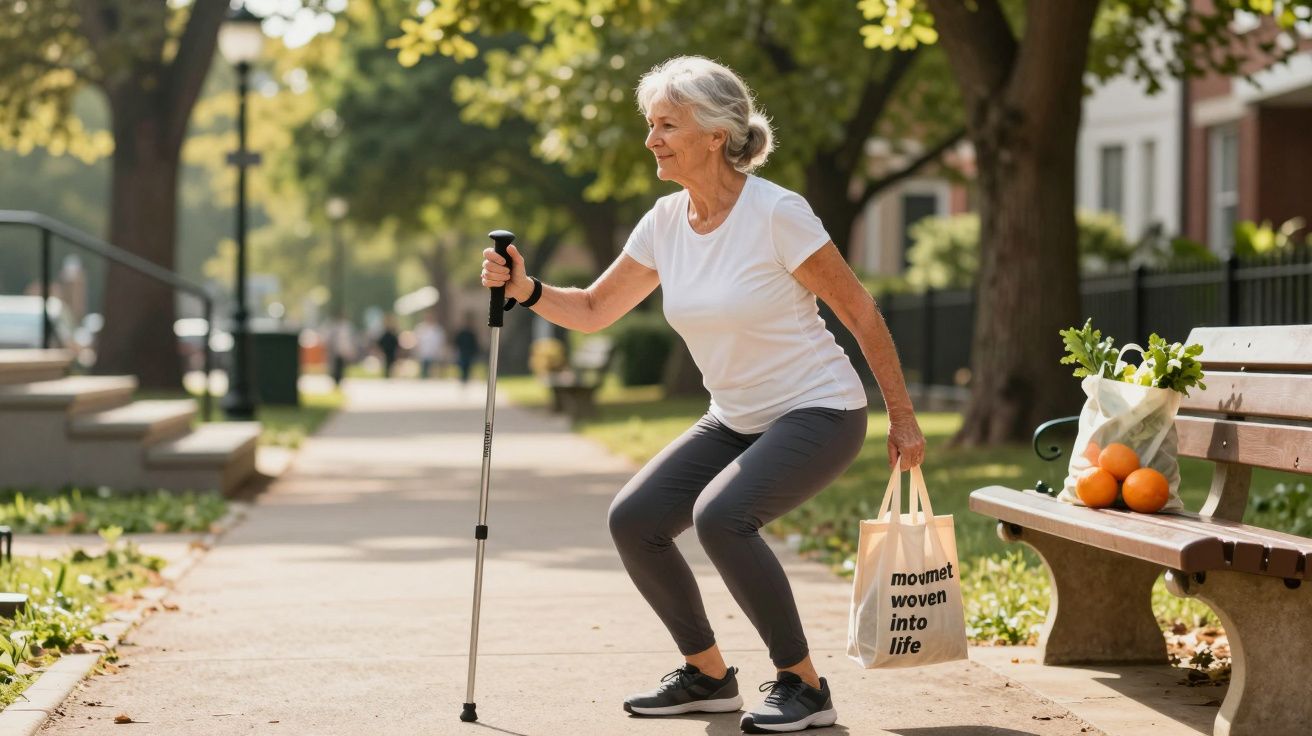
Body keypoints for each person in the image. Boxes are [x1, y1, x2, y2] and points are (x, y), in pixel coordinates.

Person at [480, 56, 925, 734]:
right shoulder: (664, 222)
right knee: (635, 520)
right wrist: (526, 290)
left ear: (716, 134)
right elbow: (598, 307)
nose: (651, 140)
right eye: (650, 125)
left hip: (819, 409)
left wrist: (903, 417)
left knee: (721, 516)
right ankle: (708, 675)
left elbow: (860, 312)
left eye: (667, 125)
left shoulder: (777, 213)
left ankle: (803, 686)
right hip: (736, 417)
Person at [324, 313, 356, 388]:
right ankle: (336, 380)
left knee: (342, 366)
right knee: (336, 366)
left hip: (343, 351)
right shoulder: (335, 327)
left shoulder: (347, 327)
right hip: (336, 350)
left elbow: (350, 339)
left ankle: (340, 379)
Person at [414, 309, 447, 379]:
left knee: (433, 372)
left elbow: (441, 342)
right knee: (423, 371)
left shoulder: (438, 329)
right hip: (423, 353)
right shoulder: (420, 328)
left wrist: (441, 353)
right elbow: (417, 341)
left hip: (434, 354)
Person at [452, 315, 480, 386]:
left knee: (468, 366)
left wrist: (475, 351)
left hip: (469, 353)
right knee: (462, 365)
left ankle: (466, 378)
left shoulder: (472, 333)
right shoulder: (461, 333)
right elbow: (456, 342)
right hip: (462, 352)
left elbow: (475, 343)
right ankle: (463, 378)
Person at [376, 313, 400, 378]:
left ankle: (389, 375)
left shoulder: (393, 333)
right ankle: (387, 375)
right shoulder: (384, 333)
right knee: (387, 364)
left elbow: (396, 342)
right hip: (386, 350)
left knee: (391, 365)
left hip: (391, 350)